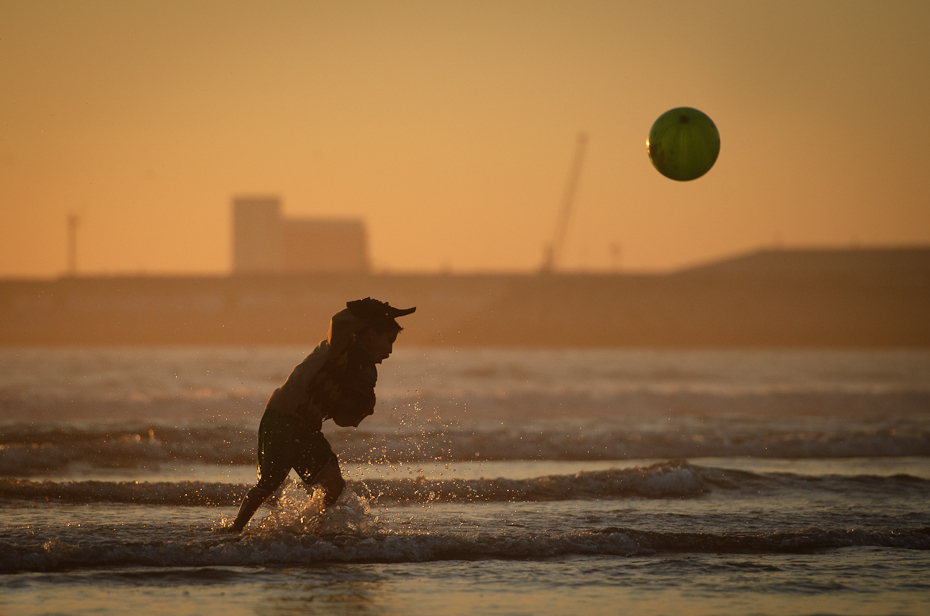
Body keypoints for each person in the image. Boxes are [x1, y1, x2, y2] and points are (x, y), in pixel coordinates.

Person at [223, 297, 415, 532]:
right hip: (283, 416)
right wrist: (376, 311)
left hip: (308, 428)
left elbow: (343, 420)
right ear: (372, 334)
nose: (391, 350)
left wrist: (362, 411)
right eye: (389, 341)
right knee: (269, 485)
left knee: (334, 486)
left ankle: (314, 530)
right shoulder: (341, 346)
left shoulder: (365, 373)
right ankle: (233, 529)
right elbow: (338, 321)